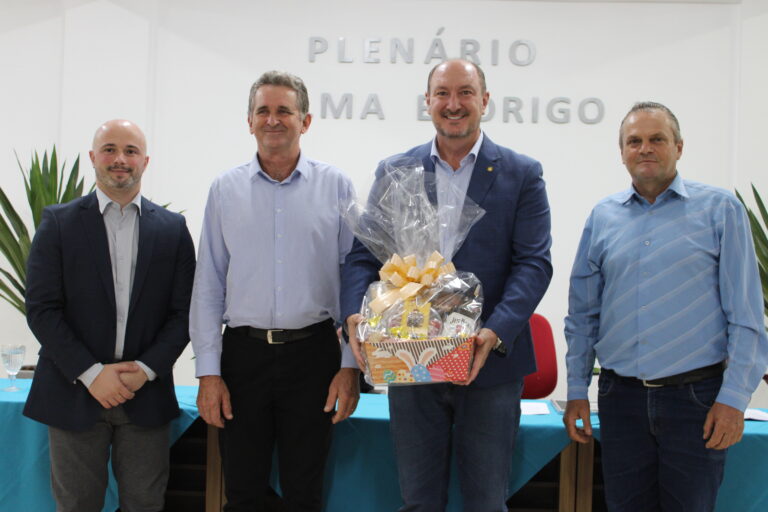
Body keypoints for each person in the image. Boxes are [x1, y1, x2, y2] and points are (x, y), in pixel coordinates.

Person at [341, 59, 553, 512]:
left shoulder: (522, 173)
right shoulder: (396, 170)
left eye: (465, 92)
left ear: (485, 100)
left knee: (486, 502)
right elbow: (363, 256)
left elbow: (533, 264)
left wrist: (494, 332)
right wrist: (355, 315)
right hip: (409, 358)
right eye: (442, 93)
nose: (453, 104)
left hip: (489, 365)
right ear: (428, 101)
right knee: (418, 501)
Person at [563, 101, 768, 511]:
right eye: (634, 141)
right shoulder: (603, 217)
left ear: (679, 146)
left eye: (657, 139)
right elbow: (583, 315)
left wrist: (734, 399)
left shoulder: (720, 210)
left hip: (696, 401)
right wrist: (575, 390)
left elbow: (746, 317)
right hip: (620, 399)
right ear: (622, 152)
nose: (645, 148)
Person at [190, 70, 360, 512]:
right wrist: (208, 373)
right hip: (242, 358)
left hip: (314, 357)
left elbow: (355, 281)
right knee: (242, 493)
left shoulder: (336, 186)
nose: (273, 119)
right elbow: (208, 284)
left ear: (306, 121)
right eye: (263, 111)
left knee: (305, 494)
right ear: (249, 121)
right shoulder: (225, 190)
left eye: (284, 110)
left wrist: (349, 366)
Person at [24, 119, 196, 512]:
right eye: (110, 149)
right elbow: (42, 308)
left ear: (145, 161)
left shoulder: (172, 230)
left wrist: (145, 370)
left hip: (144, 393)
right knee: (76, 505)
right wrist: (91, 373)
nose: (120, 159)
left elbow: (185, 311)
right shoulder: (58, 223)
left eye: (131, 151)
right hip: (74, 391)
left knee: (145, 504)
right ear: (93, 157)